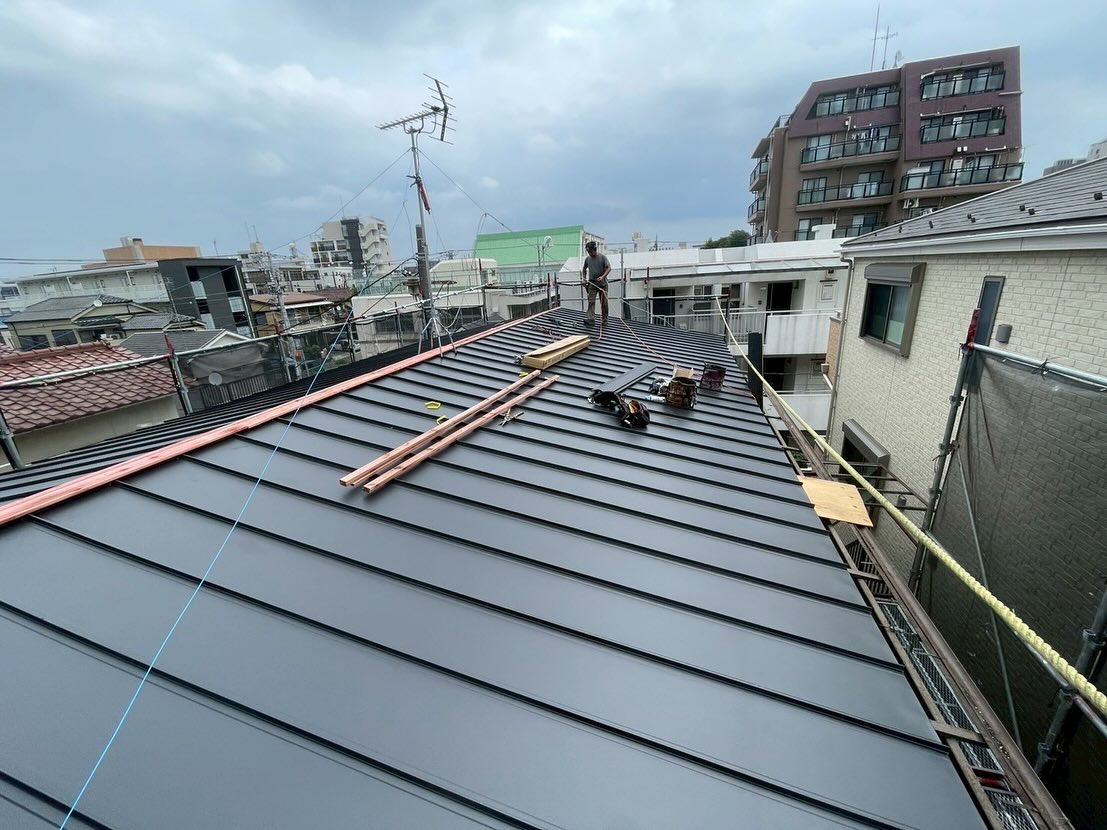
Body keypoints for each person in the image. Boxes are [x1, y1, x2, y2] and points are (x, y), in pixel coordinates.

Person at [580, 240, 611, 325]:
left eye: (591, 251)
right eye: (588, 252)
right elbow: (584, 268)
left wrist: (602, 277)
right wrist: (584, 279)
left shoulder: (602, 257)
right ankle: (590, 318)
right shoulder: (587, 259)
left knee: (604, 302)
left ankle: (605, 320)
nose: (589, 253)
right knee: (591, 301)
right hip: (592, 283)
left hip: (602, 284)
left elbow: (609, 268)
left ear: (595, 249)